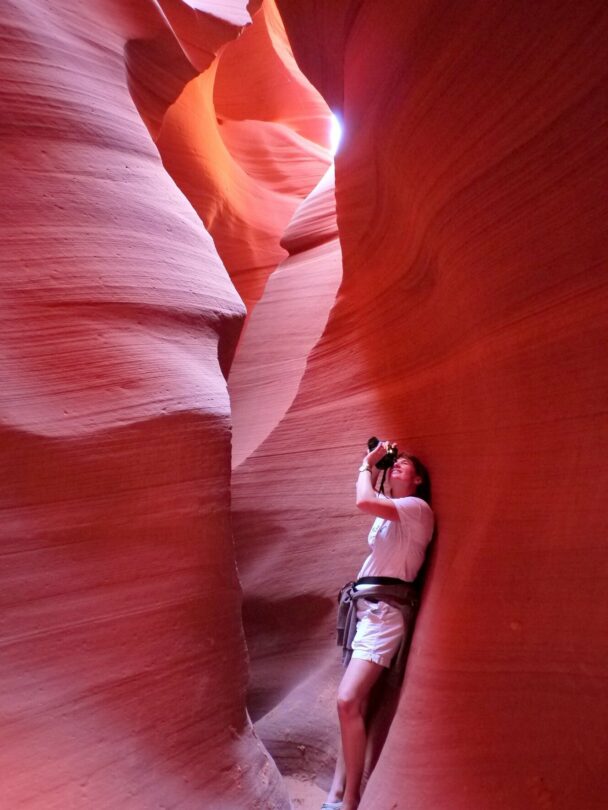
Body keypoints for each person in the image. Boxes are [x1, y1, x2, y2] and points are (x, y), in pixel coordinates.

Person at [322, 440, 434, 810]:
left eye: (406, 465)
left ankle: (351, 800)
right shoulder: (390, 514)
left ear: (418, 480)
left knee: (347, 700)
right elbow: (374, 505)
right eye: (396, 463)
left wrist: (366, 465)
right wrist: (377, 469)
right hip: (367, 610)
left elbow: (363, 500)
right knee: (357, 705)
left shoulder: (418, 509)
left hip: (385, 615)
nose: (399, 465)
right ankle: (336, 793)